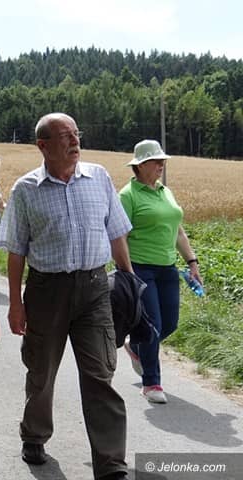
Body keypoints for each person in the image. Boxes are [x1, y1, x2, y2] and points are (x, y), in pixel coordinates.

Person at [0, 113, 132, 480]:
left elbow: (117, 233)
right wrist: (16, 304)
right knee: (41, 372)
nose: (75, 141)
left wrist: (130, 280)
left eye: (76, 133)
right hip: (46, 291)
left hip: (95, 289)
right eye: (65, 136)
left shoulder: (99, 177)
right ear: (43, 146)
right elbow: (16, 252)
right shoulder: (26, 189)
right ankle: (34, 434)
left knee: (100, 375)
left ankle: (111, 464)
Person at [119, 139, 203, 404]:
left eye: (162, 161)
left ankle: (136, 345)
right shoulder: (128, 196)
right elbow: (119, 237)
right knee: (153, 325)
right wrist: (127, 272)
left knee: (170, 323)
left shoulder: (166, 192)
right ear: (141, 165)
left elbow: (178, 231)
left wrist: (192, 262)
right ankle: (151, 383)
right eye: (156, 161)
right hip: (140, 268)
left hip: (167, 268)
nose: (161, 165)